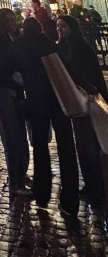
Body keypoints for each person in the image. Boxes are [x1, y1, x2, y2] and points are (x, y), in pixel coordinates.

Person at [13, 17, 79, 217]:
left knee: (40, 148)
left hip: (36, 102)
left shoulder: (19, 45)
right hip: (58, 99)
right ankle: (70, 201)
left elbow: (10, 70)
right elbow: (67, 69)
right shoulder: (48, 43)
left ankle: (42, 193)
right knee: (66, 147)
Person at [56, 14, 106, 205]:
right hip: (75, 102)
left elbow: (92, 75)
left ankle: (96, 184)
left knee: (90, 143)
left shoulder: (82, 48)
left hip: (89, 100)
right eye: (58, 26)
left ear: (72, 28)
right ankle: (92, 183)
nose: (60, 29)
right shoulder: (61, 48)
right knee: (84, 144)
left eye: (64, 26)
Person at [0, 8, 30, 196]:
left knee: (20, 135)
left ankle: (22, 172)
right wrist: (18, 78)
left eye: (12, 19)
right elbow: (2, 66)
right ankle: (16, 180)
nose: (11, 22)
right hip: (4, 91)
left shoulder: (17, 38)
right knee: (11, 136)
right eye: (6, 20)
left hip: (17, 92)